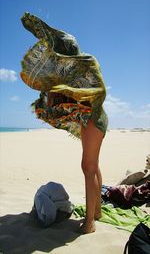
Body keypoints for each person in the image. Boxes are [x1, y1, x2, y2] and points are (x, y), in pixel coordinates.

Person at [20, 12, 108, 234]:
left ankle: (90, 223)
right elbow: (48, 89)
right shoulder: (62, 70)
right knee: (92, 165)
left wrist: (68, 90)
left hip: (95, 117)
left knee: (88, 166)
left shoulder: (87, 62)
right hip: (83, 118)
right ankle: (96, 211)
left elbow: (100, 91)